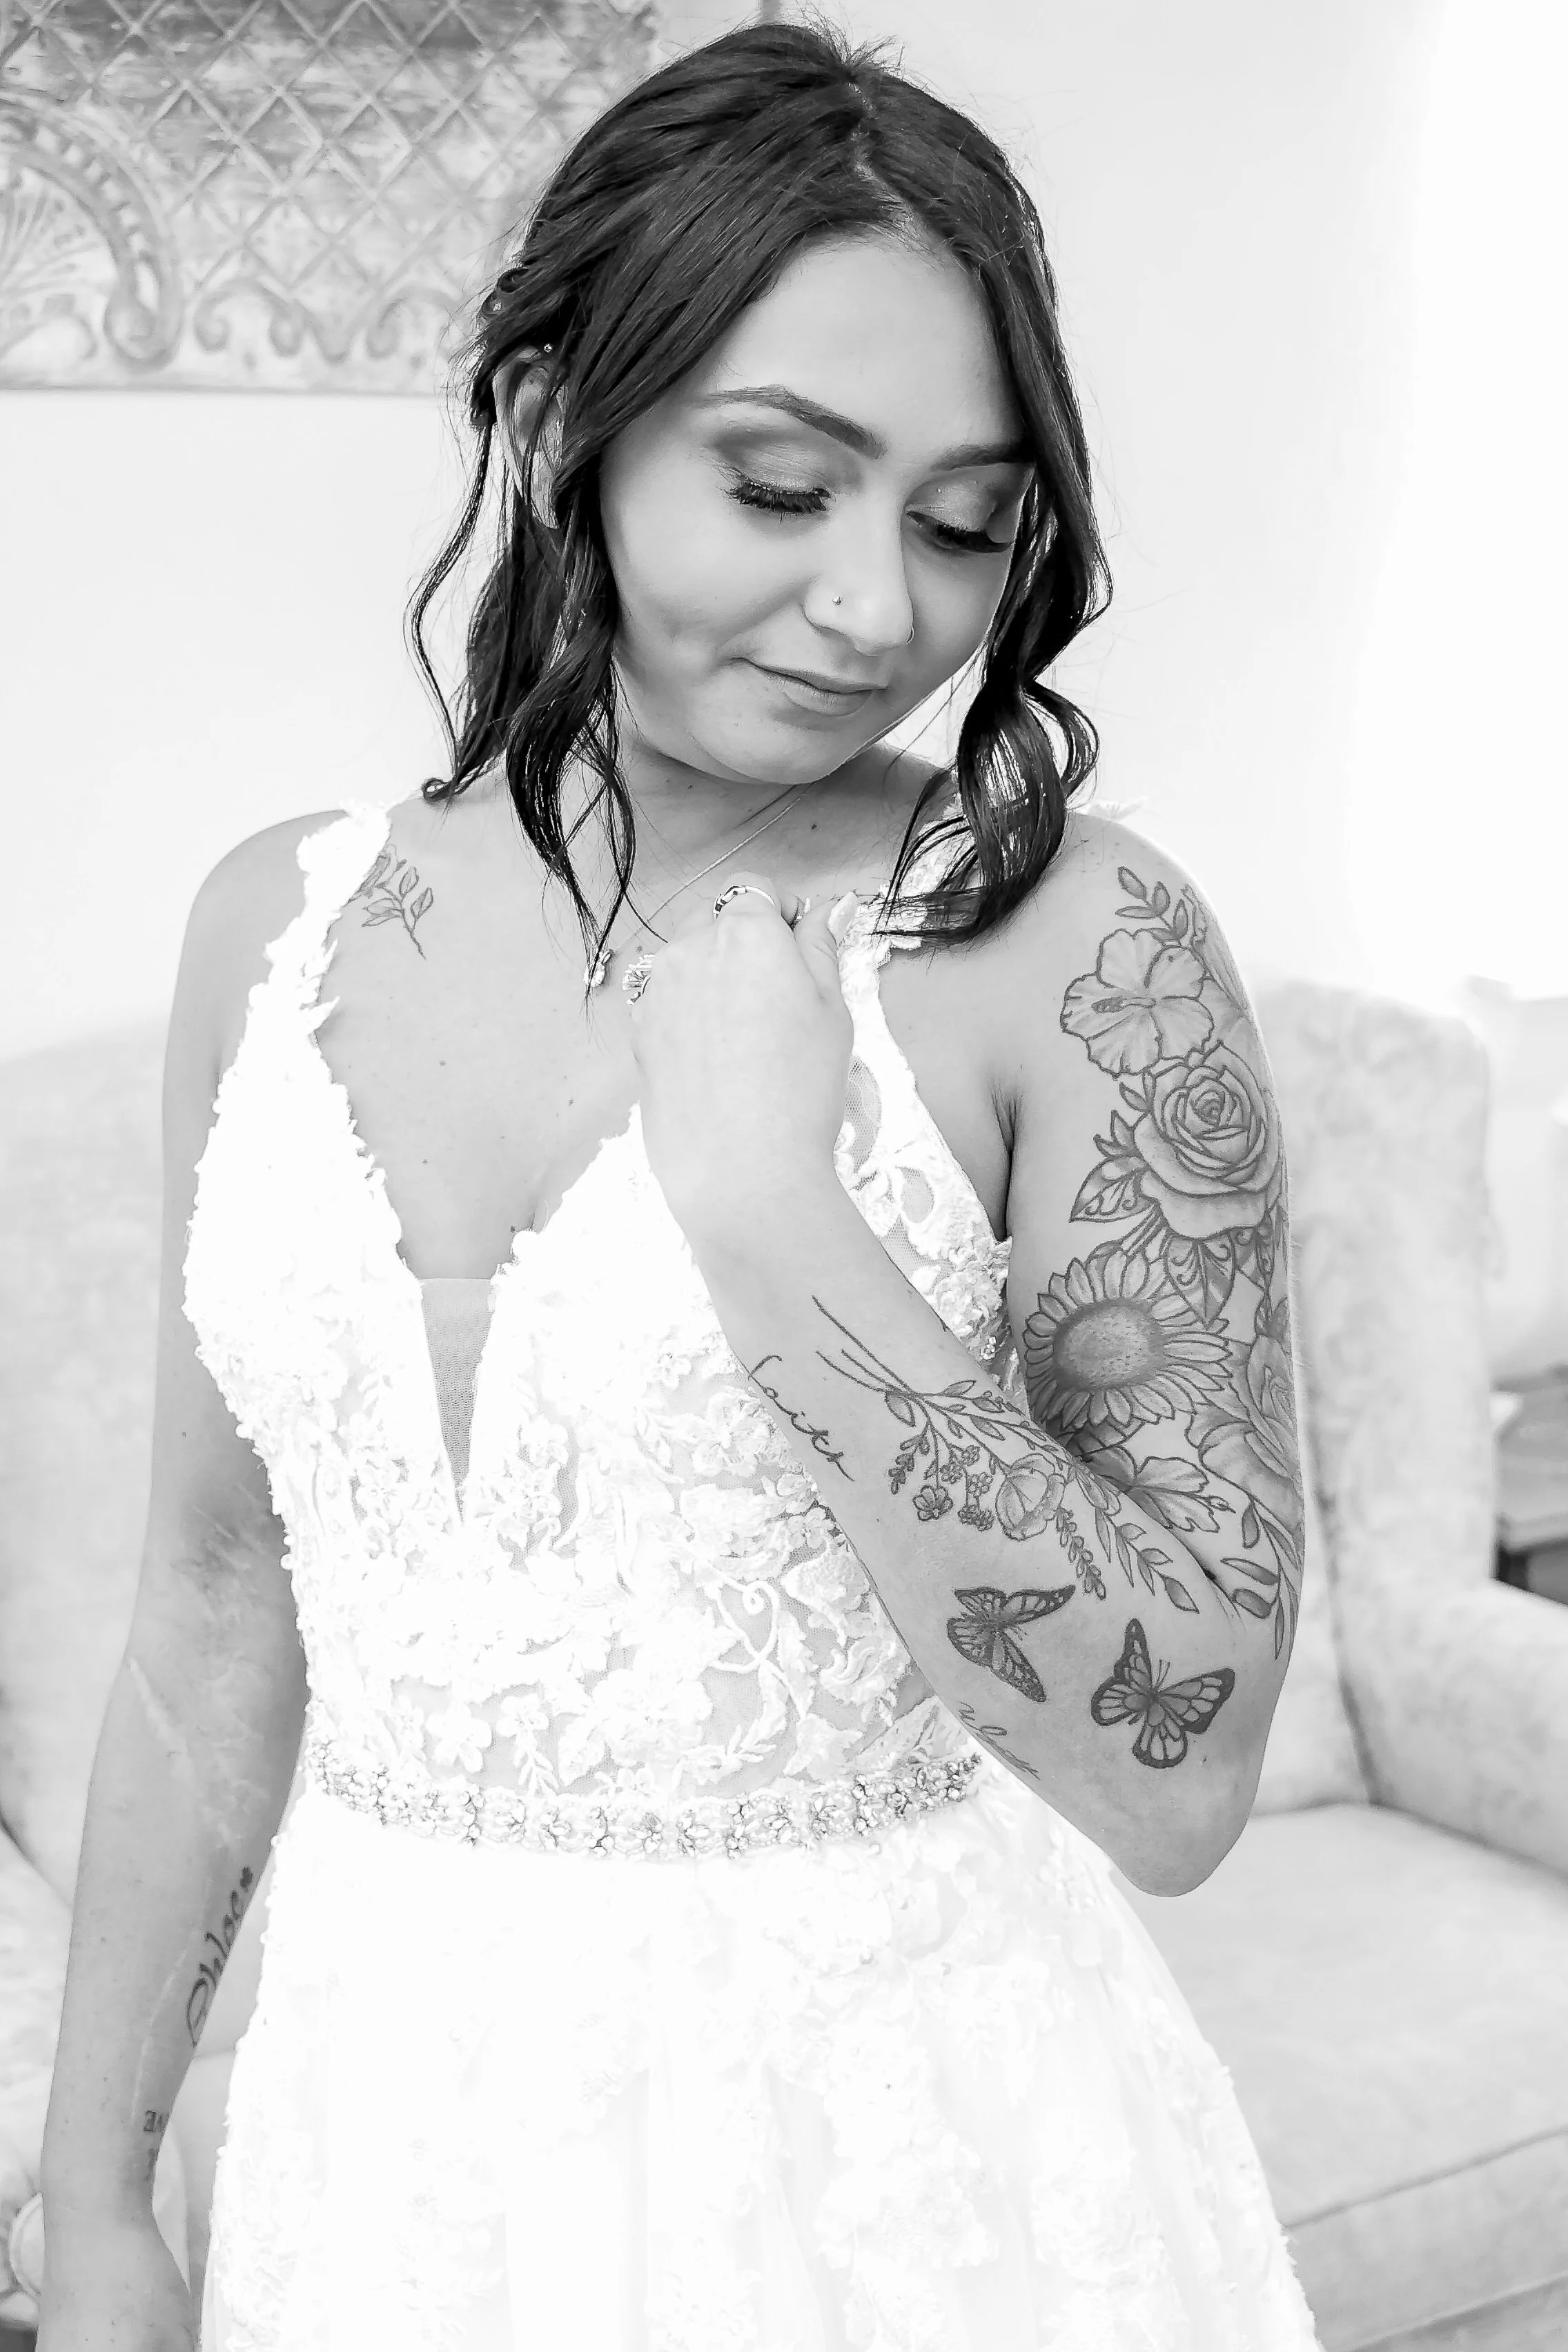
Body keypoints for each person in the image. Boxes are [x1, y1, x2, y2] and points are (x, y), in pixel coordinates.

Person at [37, 20, 1324, 2351]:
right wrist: (98, 2195)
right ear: (566, 428)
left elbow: (1189, 1768)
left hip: (902, 2188)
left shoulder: (1071, 946)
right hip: (388, 2167)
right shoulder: (281, 927)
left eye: (962, 519)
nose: (874, 610)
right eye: (780, 484)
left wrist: (777, 1222)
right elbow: (216, 1614)